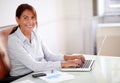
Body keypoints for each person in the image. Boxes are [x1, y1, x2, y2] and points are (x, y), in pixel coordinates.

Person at [7, 3, 85, 76]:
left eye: (32, 18)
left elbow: (49, 56)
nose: (30, 22)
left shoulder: (35, 34)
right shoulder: (13, 41)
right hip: (23, 78)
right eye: (25, 18)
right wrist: (65, 64)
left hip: (40, 72)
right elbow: (34, 65)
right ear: (17, 19)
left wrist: (71, 58)